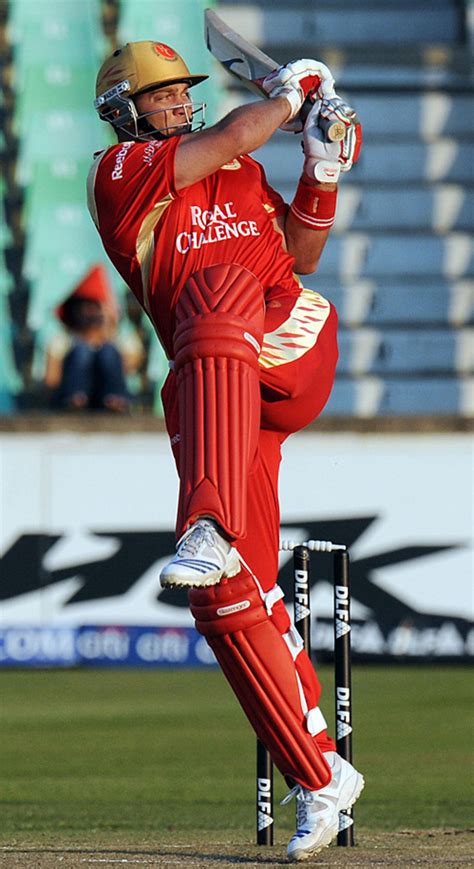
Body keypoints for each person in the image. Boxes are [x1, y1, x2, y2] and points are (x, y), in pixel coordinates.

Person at [88, 40, 364, 861]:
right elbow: (242, 132)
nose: (178, 103)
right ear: (122, 113)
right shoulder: (121, 175)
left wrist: (322, 170)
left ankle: (204, 521)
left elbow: (302, 256)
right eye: (161, 95)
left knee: (217, 290)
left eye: (182, 93)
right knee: (224, 598)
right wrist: (291, 104)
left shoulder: (240, 173)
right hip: (222, 390)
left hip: (293, 341)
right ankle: (321, 777)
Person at [45, 264, 132, 412]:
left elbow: (130, 365)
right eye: (85, 307)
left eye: (95, 307)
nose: (90, 313)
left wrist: (108, 331)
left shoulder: (117, 337)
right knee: (82, 350)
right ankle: (76, 398)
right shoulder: (63, 339)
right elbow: (51, 380)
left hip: (105, 396)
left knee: (108, 352)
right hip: (69, 396)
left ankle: (114, 398)